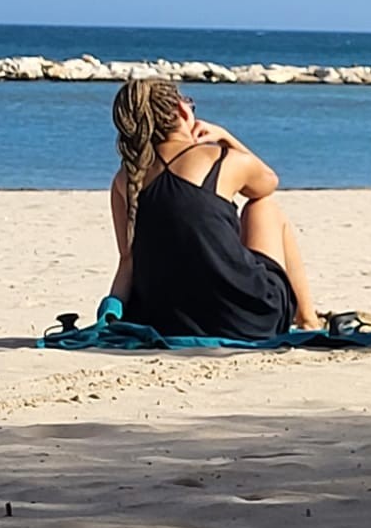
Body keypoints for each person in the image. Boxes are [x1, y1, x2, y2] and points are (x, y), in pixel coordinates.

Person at [109, 78, 319, 336]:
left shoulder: (125, 179)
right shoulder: (218, 158)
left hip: (167, 320)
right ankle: (308, 319)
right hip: (244, 317)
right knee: (263, 206)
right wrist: (225, 137)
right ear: (182, 111)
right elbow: (268, 181)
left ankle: (307, 318)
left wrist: (112, 310)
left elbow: (127, 261)